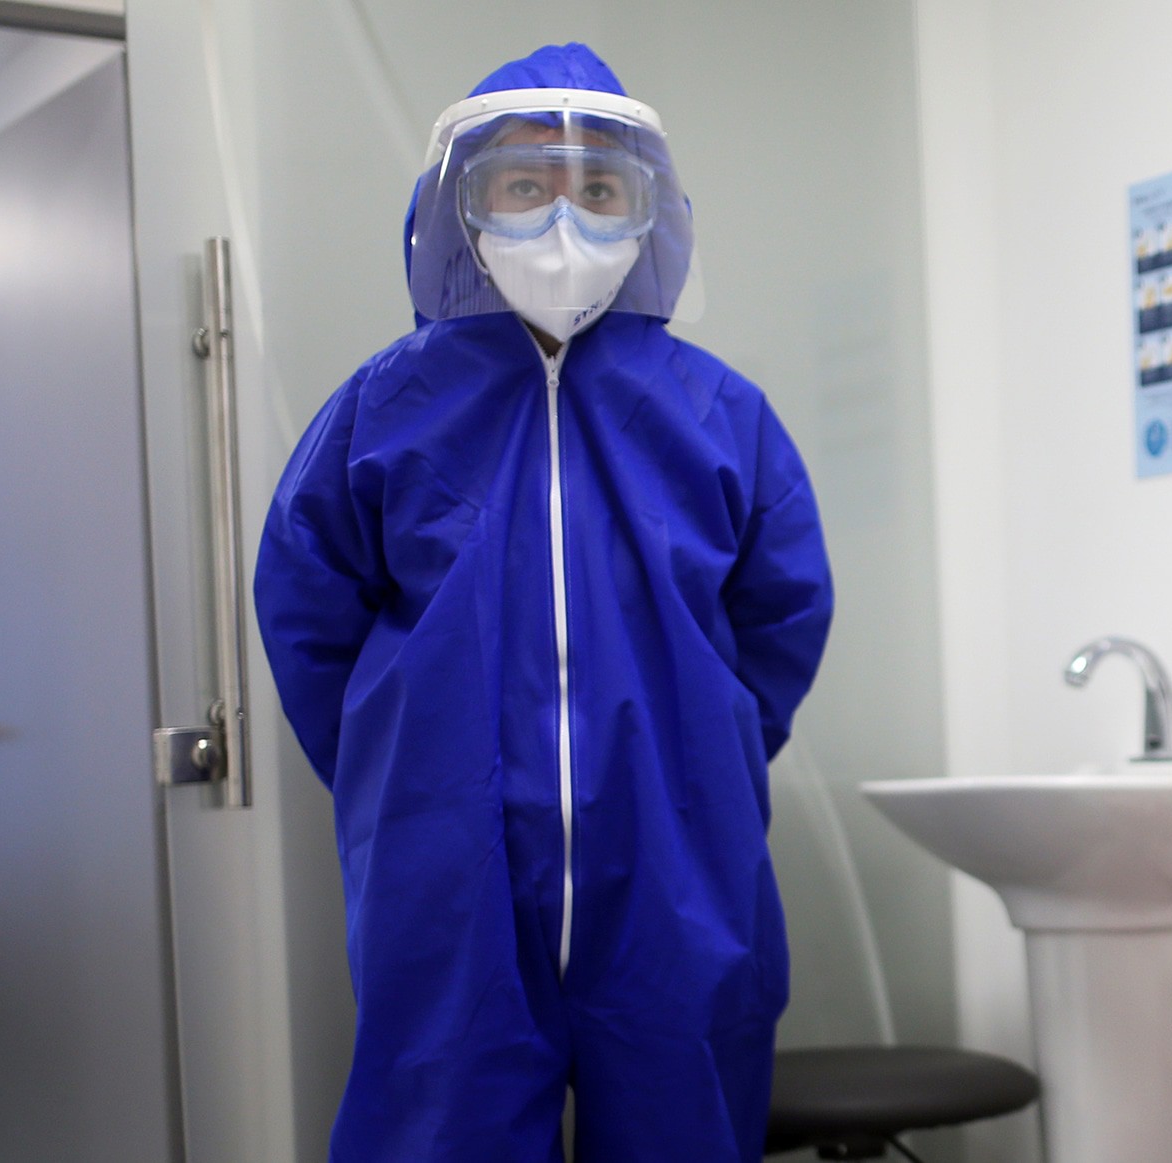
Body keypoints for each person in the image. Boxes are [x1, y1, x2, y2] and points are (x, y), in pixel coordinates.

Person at [253, 43, 834, 1162]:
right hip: (447, 867)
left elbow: (782, 612)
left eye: (600, 189)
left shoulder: (720, 415)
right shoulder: (386, 408)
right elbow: (307, 608)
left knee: (683, 1121)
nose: (565, 220)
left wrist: (695, 753)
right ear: (461, 207)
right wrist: (403, 760)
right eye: (525, 185)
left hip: (677, 865)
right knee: (439, 1124)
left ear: (647, 212)